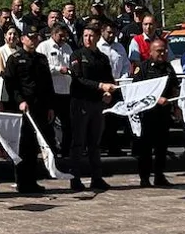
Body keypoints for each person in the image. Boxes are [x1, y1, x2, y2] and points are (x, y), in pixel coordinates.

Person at [67, 27, 119, 192]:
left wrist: (107, 92)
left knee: (94, 143)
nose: (88, 38)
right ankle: (75, 178)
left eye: (91, 36)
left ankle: (97, 177)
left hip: (97, 104)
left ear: (97, 37)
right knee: (78, 142)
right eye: (85, 36)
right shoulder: (77, 55)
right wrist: (100, 86)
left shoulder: (102, 58)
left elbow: (108, 79)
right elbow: (79, 79)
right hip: (81, 102)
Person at [3, 29, 55, 192]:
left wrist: (50, 106)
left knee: (34, 146)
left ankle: (32, 181)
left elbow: (47, 84)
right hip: (23, 108)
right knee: (22, 145)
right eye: (30, 37)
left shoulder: (41, 59)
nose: (33, 40)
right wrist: (20, 101)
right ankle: (21, 181)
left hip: (39, 107)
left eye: (35, 37)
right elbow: (11, 85)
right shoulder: (15, 59)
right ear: (22, 39)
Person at [132, 38, 180, 187]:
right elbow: (137, 90)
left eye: (164, 50)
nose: (163, 53)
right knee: (145, 148)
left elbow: (174, 88)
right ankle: (144, 178)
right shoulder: (143, 68)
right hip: (147, 114)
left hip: (163, 114)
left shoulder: (168, 68)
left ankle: (159, 175)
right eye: (159, 51)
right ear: (151, 52)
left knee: (162, 147)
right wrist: (157, 99)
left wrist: (176, 106)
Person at [37, 25, 75, 157]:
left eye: (65, 35)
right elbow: (41, 66)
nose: (63, 38)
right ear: (53, 34)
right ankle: (50, 149)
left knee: (68, 123)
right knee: (49, 123)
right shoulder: (43, 47)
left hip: (66, 91)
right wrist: (58, 69)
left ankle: (66, 150)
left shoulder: (67, 47)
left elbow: (71, 64)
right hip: (51, 91)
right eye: (60, 35)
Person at [97, 22, 131, 157]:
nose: (111, 35)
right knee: (100, 119)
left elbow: (126, 66)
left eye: (113, 33)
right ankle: (99, 147)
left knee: (114, 120)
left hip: (117, 87)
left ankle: (113, 147)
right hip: (102, 87)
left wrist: (122, 79)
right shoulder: (98, 47)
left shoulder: (120, 47)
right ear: (102, 31)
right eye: (109, 32)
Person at [0, 24, 22, 108]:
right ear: (5, 35)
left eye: (15, 34)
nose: (12, 36)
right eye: (10, 34)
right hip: (5, 85)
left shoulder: (21, 50)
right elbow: (1, 70)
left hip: (19, 86)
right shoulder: (0, 50)